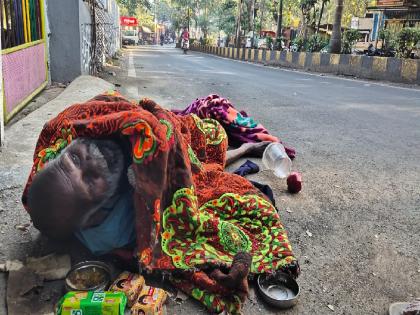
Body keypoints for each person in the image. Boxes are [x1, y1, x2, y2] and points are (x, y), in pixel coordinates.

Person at [23, 92, 299, 314]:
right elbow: (174, 223)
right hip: (179, 164)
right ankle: (245, 149)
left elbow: (97, 110)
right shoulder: (111, 230)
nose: (94, 159)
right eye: (92, 178)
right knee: (205, 161)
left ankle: (241, 147)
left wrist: (145, 123)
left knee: (208, 124)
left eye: (75, 159)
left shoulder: (61, 145)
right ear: (97, 213)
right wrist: (147, 172)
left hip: (174, 129)